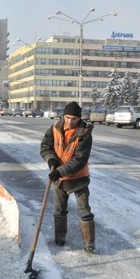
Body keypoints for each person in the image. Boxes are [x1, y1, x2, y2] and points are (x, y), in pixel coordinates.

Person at [40, 101, 96, 253]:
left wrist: (59, 171)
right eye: (67, 117)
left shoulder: (84, 133)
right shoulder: (55, 128)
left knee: (84, 210)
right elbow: (45, 146)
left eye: (74, 119)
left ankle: (89, 242)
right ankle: (60, 237)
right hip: (60, 180)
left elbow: (79, 159)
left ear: (79, 119)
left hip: (79, 179)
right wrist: (50, 159)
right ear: (63, 116)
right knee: (59, 210)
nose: (70, 121)